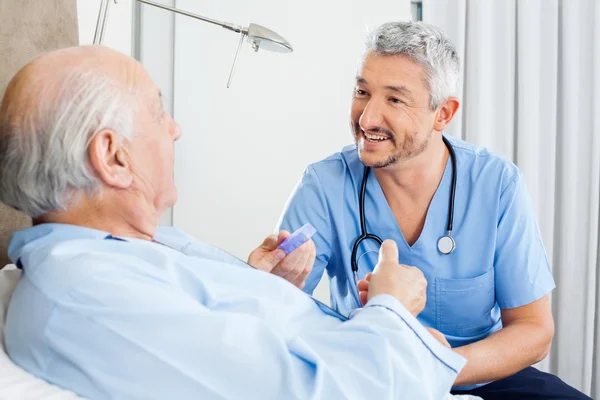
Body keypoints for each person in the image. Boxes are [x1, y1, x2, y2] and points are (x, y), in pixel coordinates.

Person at [0, 45, 473, 400]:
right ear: (112, 156)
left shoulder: (132, 247)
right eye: (157, 112)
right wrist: (392, 310)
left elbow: (232, 341)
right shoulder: (86, 297)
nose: (175, 128)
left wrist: (263, 286)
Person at [276, 21, 591, 399]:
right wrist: (274, 283)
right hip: (370, 378)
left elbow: (534, 330)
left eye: (394, 99)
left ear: (443, 113)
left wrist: (439, 366)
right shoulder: (324, 185)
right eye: (363, 91)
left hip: (478, 373)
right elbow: (277, 316)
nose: (367, 118)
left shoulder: (496, 184)